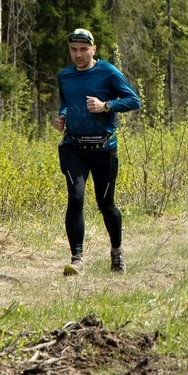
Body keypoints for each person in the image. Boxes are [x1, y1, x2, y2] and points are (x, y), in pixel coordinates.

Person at [52, 27, 142, 275]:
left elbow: (134, 100)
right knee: (75, 198)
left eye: (83, 49)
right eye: (73, 50)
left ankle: (117, 252)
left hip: (104, 148)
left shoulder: (108, 72)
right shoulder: (65, 76)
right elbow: (66, 103)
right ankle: (77, 259)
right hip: (74, 147)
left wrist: (106, 105)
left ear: (94, 49)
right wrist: (62, 117)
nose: (78, 54)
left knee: (106, 204)